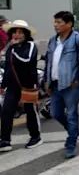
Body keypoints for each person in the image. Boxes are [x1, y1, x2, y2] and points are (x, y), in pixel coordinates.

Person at [42, 11, 79, 159]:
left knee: (71, 114)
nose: (55, 25)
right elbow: (48, 62)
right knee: (55, 113)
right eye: (55, 22)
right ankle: (74, 131)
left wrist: (76, 79)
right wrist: (46, 81)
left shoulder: (78, 40)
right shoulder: (52, 41)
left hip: (71, 84)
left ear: (69, 24)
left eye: (59, 22)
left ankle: (71, 144)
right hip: (55, 83)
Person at [0, 20, 42, 152]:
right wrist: (3, 85)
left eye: (20, 32)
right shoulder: (11, 48)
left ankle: (36, 137)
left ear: (25, 34)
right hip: (12, 87)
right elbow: (8, 68)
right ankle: (5, 140)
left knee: (30, 111)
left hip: (28, 85)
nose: (16, 35)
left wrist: (13, 50)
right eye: (14, 32)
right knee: (6, 112)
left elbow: (26, 59)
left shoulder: (30, 45)